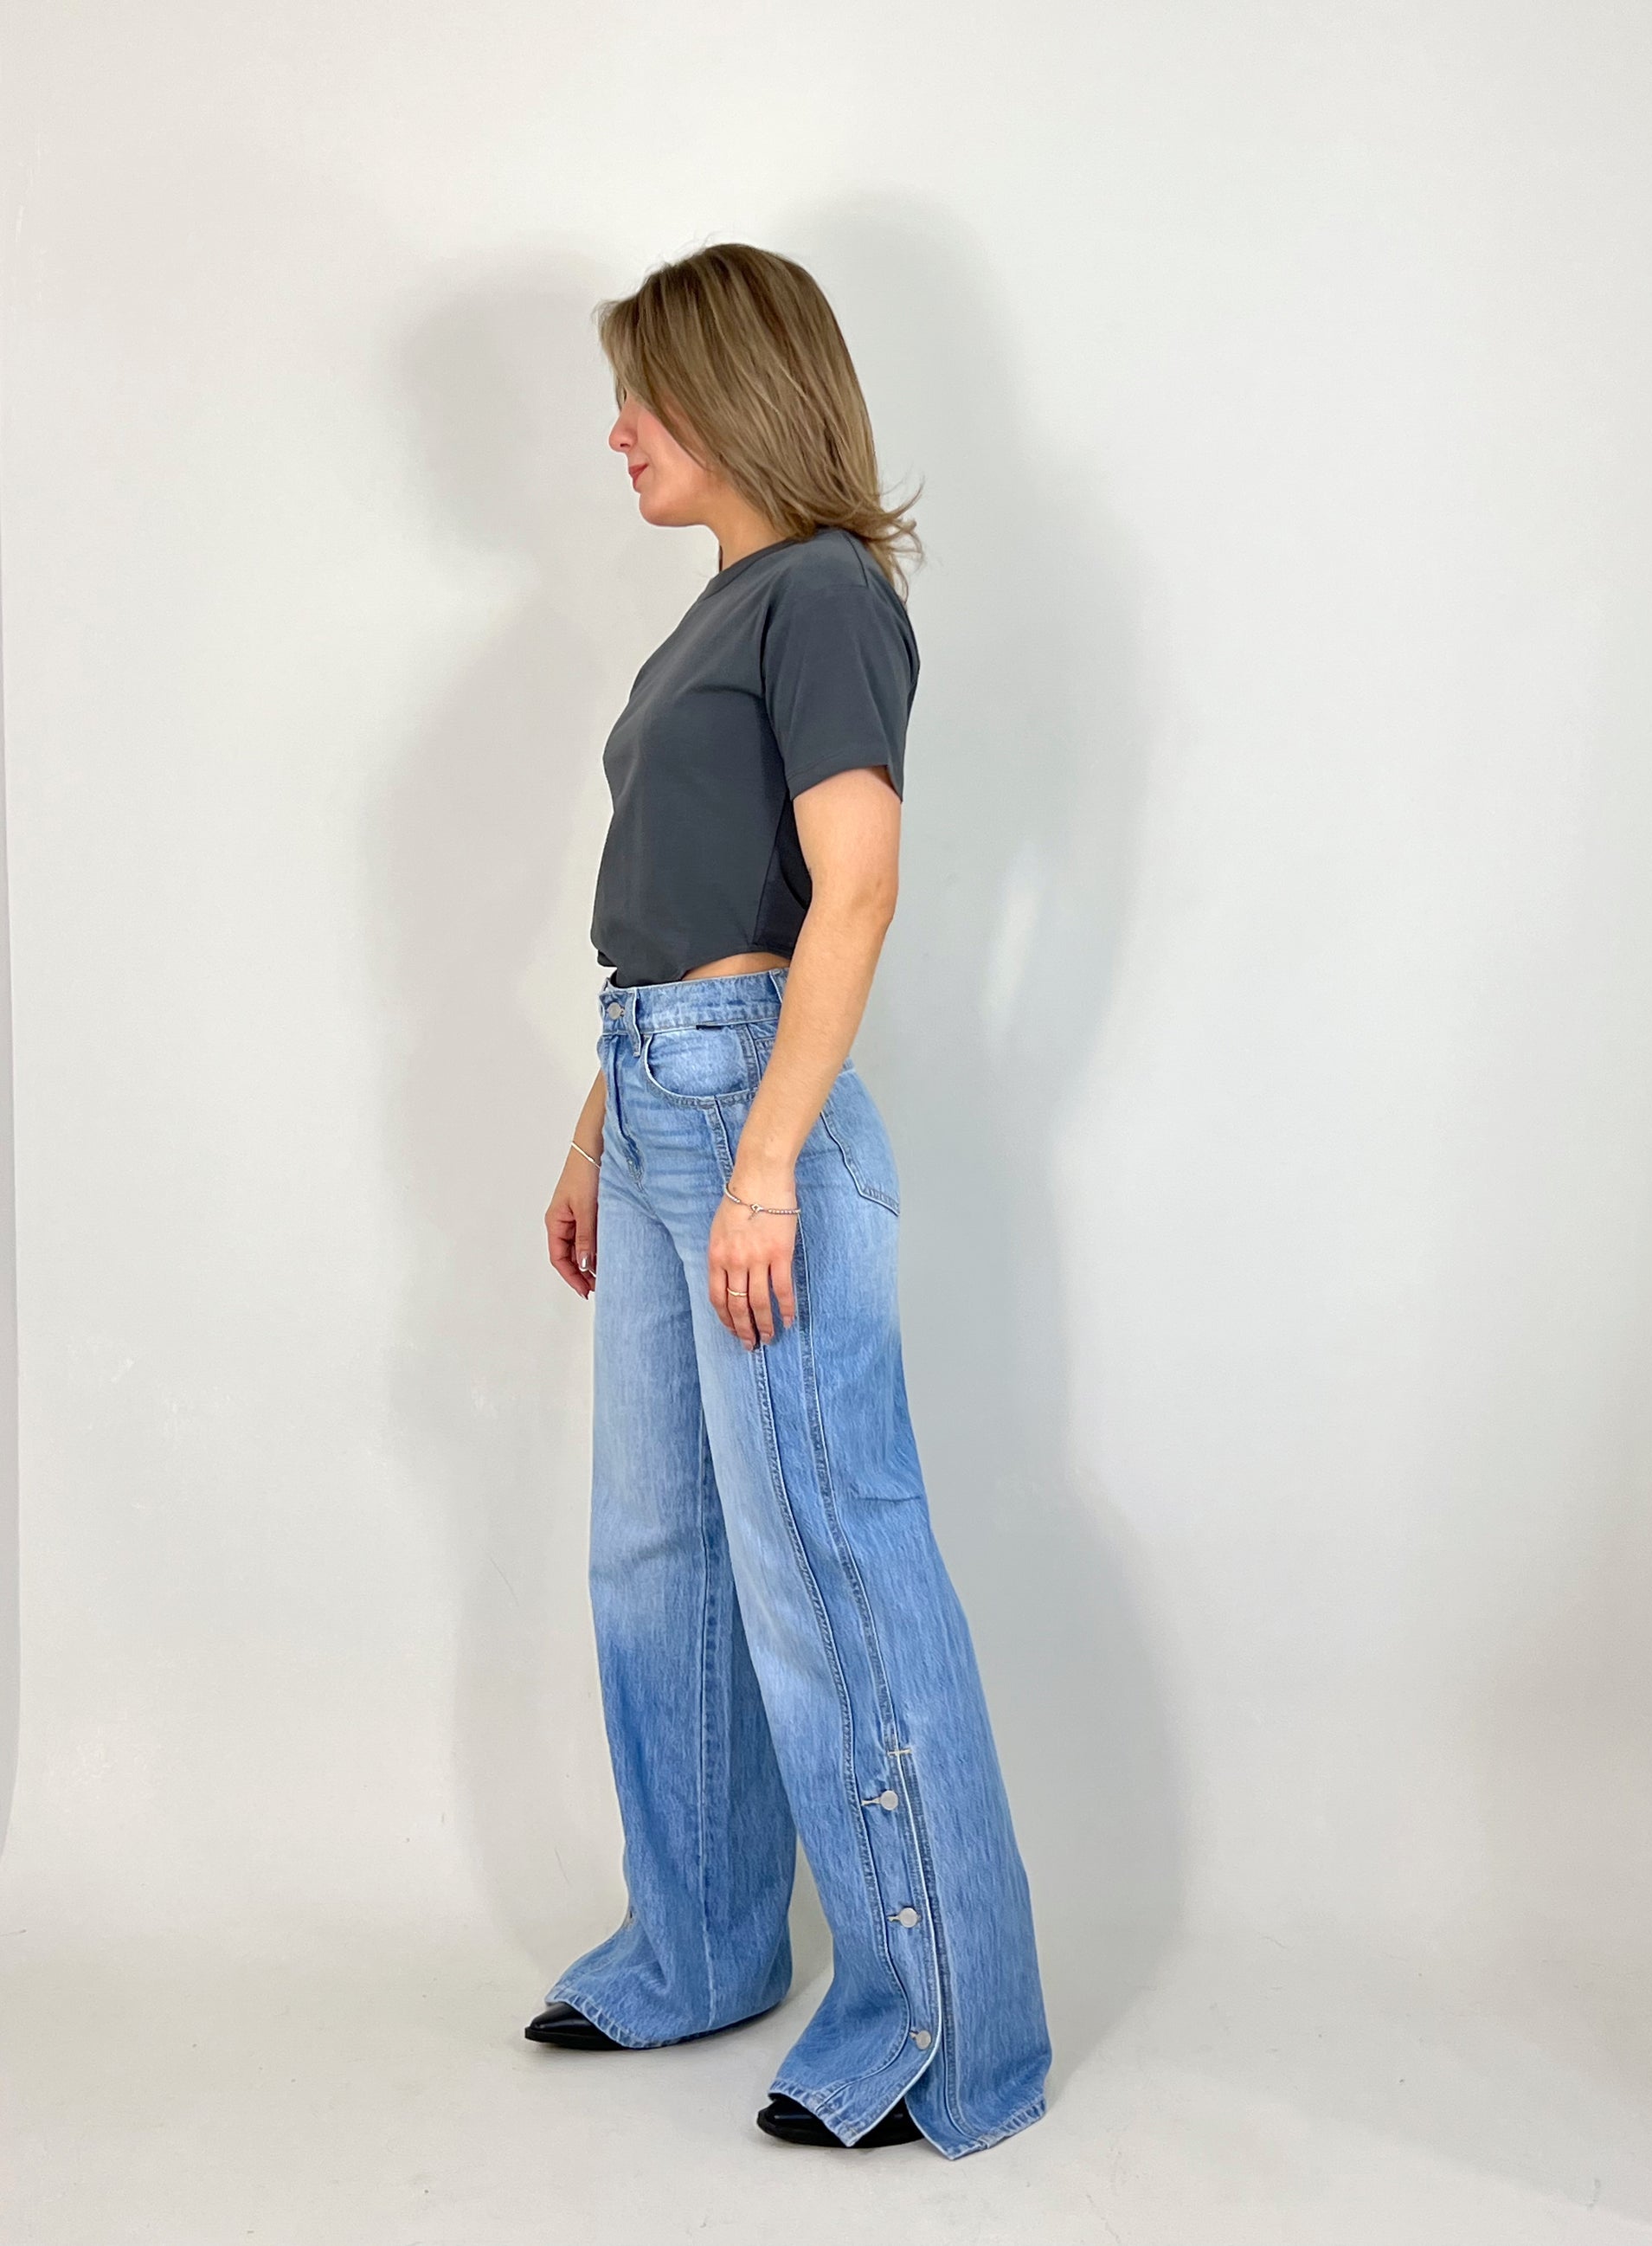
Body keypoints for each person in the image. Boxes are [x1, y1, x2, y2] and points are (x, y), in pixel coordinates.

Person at [528, 243, 1051, 2158]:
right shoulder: (727, 606)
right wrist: (597, 1128)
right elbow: (684, 899)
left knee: (831, 1566)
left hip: (753, 1118)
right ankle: (698, 1945)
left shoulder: (825, 592)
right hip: (660, 1092)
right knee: (656, 1558)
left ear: (735, 389)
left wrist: (758, 1166)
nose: (617, 431)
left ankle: (946, 2037)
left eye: (643, 395)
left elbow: (857, 887)